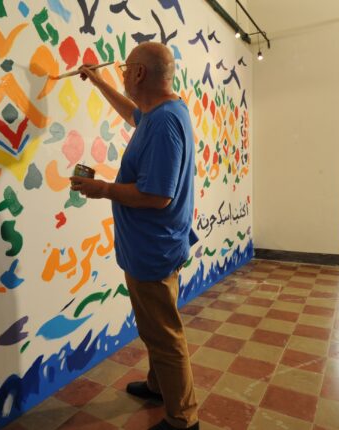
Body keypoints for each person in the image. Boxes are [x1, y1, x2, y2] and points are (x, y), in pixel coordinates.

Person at [71, 42, 200, 430]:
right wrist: (98, 82)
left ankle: (184, 419)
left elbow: (158, 195)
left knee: (164, 335)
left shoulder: (163, 123)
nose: (123, 74)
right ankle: (159, 387)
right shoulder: (161, 113)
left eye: (126, 69)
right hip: (151, 247)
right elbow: (132, 114)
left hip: (154, 250)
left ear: (140, 74)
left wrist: (104, 189)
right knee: (155, 328)